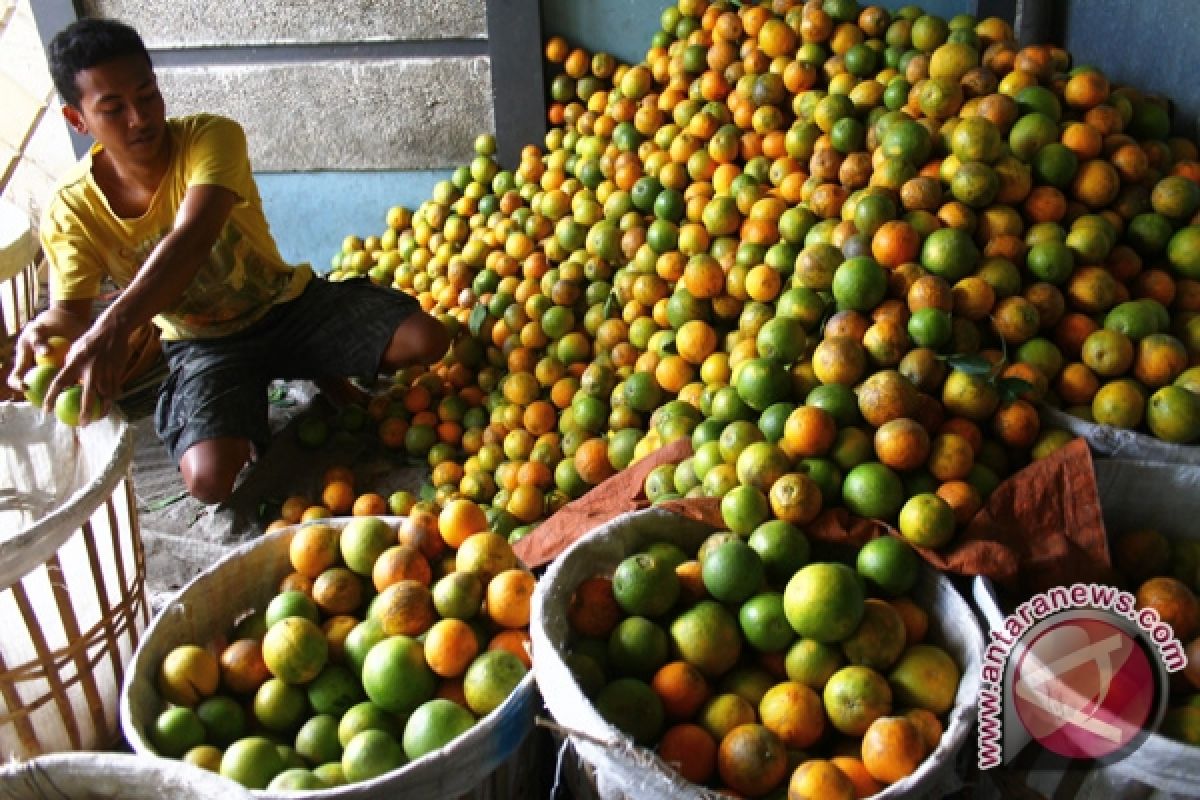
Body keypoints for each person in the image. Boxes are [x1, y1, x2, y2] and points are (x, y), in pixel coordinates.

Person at [6, 17, 449, 504]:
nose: (139, 117)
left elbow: (193, 237)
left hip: (286, 306)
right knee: (208, 482)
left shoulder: (210, 138)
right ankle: (248, 393)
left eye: (147, 94)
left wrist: (113, 325)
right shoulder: (71, 208)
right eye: (113, 108)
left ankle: (312, 361)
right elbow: (69, 311)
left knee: (426, 339)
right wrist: (46, 334)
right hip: (204, 344)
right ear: (78, 120)